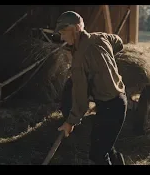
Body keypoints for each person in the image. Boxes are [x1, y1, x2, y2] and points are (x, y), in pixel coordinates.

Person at [54, 11, 127, 165]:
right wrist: (105, 59)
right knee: (106, 144)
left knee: (97, 154)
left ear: (75, 29)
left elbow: (80, 98)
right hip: (120, 101)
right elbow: (119, 41)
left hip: (109, 106)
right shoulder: (101, 37)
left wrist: (70, 122)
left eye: (63, 32)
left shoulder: (79, 60)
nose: (61, 38)